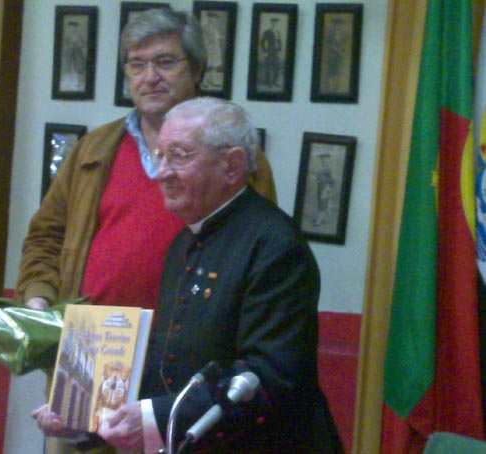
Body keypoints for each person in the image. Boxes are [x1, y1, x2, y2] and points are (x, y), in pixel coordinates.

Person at [18, 7, 276, 454]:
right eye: (137, 65)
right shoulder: (93, 151)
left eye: (165, 61)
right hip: (93, 358)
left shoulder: (232, 157)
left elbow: (258, 254)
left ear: (196, 70)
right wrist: (40, 298)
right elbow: (45, 236)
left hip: (184, 371)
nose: (149, 76)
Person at [33, 98, 343, 453]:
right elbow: (169, 361)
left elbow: (267, 379)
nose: (161, 171)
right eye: (160, 155)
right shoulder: (184, 240)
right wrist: (88, 413)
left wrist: (153, 418)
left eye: (178, 156)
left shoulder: (275, 245)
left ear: (232, 165)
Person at [260, 17, 282, 88]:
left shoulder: (278, 32)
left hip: (276, 52)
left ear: (277, 23)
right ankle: (268, 82)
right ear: (271, 23)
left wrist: (279, 50)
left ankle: (274, 81)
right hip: (269, 51)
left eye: (276, 22)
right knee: (268, 67)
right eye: (273, 22)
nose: (274, 23)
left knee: (277, 67)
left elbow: (279, 42)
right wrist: (264, 51)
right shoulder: (267, 31)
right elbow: (262, 42)